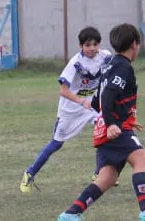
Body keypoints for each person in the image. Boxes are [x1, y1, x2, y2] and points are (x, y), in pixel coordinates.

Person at [56, 23, 145, 221]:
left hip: (107, 127)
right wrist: (112, 123)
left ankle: (71, 213)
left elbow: (97, 100)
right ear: (135, 44)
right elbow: (108, 95)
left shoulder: (111, 64)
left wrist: (124, 118)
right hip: (113, 128)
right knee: (141, 159)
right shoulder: (122, 66)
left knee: (108, 178)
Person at [20, 26, 112, 193]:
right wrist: (81, 101)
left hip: (91, 105)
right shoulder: (75, 63)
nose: (92, 48)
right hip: (71, 109)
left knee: (105, 130)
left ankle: (98, 174)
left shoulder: (105, 57)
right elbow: (63, 90)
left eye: (95, 44)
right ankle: (30, 173)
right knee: (56, 143)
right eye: (88, 45)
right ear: (81, 46)